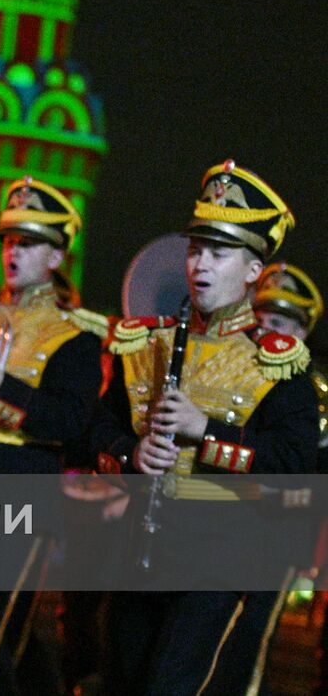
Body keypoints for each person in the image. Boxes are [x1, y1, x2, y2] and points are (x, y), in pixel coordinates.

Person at [92, 160, 316, 694]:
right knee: (123, 680)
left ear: (253, 270)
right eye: (196, 250)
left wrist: (206, 430)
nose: (201, 265)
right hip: (139, 549)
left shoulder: (278, 363)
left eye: (220, 253)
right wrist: (131, 453)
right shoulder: (146, 342)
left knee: (173, 685)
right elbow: (97, 429)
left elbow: (293, 465)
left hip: (222, 559)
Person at [0, 176, 107, 695]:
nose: (13, 252)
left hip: (20, 485)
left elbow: (73, 427)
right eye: (9, 241)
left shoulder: (75, 336)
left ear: (56, 257)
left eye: (28, 243)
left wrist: (1, 390)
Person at [208, 261, 325, 694]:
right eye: (260, 320)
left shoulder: (311, 394)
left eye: (279, 322)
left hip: (276, 537)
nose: (266, 331)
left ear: (303, 332)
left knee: (243, 654)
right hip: (220, 525)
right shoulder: (232, 375)